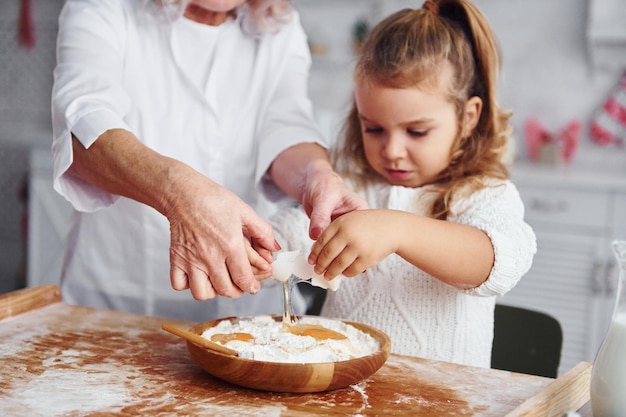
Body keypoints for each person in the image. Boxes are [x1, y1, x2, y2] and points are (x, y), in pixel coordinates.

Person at [50, 0, 366, 322]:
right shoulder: (105, 8)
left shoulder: (279, 26)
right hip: (120, 303)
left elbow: (286, 126)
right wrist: (179, 194)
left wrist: (317, 175)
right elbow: (85, 129)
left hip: (252, 307)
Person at [269, 0, 536, 368]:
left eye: (417, 131)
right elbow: (296, 231)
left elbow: (497, 264)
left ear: (468, 117)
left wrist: (397, 228)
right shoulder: (352, 190)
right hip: (343, 399)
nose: (392, 150)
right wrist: (259, 250)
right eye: (373, 128)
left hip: (443, 401)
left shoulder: (483, 195)